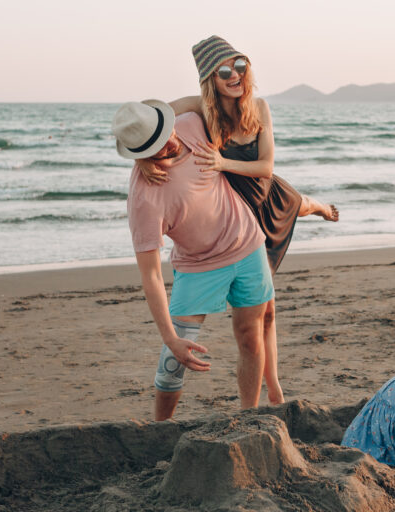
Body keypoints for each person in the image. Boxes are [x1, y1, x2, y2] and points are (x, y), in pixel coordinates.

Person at [138, 35, 338, 406]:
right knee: (266, 310)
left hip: (264, 192)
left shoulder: (259, 106)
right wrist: (145, 158)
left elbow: (266, 167)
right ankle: (273, 388)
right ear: (211, 80)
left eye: (241, 66)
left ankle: (323, 207)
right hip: (238, 205)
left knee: (298, 204)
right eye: (225, 71)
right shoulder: (199, 107)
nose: (236, 75)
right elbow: (151, 122)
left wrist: (221, 163)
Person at [112, 99, 274, 420]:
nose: (171, 140)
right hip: (198, 267)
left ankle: (249, 417)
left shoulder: (189, 125)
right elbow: (152, 276)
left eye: (165, 130)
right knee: (174, 358)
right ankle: (161, 428)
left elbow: (207, 99)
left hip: (247, 245)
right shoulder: (145, 195)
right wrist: (170, 338)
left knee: (250, 336)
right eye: (157, 144)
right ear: (142, 155)